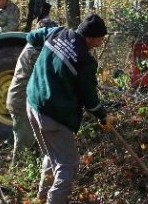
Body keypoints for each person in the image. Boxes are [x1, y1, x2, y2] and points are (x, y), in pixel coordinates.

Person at [26, 14, 113, 204]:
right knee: (68, 165)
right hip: (52, 114)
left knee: (52, 154)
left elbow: (31, 37)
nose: (100, 43)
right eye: (99, 39)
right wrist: (102, 116)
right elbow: (90, 100)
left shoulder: (57, 32)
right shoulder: (85, 62)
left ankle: (41, 197)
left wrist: (48, 56)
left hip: (32, 103)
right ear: (89, 37)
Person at [6, 17, 59, 164]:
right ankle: (16, 176)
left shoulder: (35, 47)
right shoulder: (34, 51)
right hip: (21, 100)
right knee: (24, 142)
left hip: (27, 100)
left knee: (34, 140)